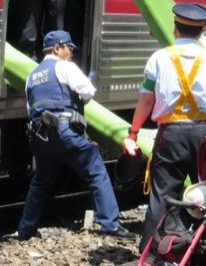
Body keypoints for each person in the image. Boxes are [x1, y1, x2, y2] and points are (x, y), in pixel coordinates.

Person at [122, 3, 206, 252]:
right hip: (204, 135)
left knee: (162, 195)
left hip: (170, 135)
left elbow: (146, 100)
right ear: (202, 30)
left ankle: (151, 256)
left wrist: (134, 133)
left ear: (175, 29)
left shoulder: (159, 58)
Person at [17, 30, 134, 241]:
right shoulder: (64, 67)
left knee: (40, 181)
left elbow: (30, 108)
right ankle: (110, 223)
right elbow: (88, 91)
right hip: (65, 132)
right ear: (56, 48)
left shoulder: (32, 77)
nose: (71, 53)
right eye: (68, 48)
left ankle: (26, 230)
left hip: (39, 137)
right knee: (96, 170)